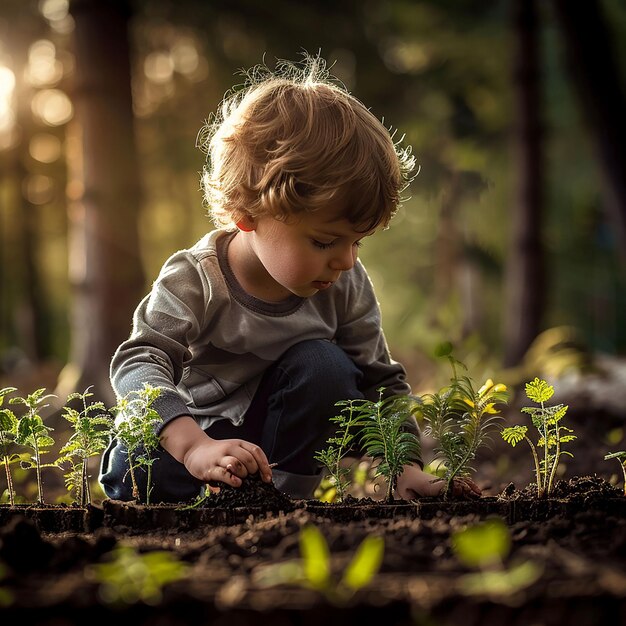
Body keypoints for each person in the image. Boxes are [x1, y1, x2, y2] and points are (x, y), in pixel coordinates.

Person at [99, 55, 480, 503]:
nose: (344, 261)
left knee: (327, 365)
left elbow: (379, 379)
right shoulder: (195, 278)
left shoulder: (346, 282)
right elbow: (139, 361)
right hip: (191, 436)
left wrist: (405, 467)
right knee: (134, 466)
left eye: (357, 242)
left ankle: (276, 497)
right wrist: (195, 446)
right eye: (324, 242)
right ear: (246, 214)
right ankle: (202, 489)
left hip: (276, 446)